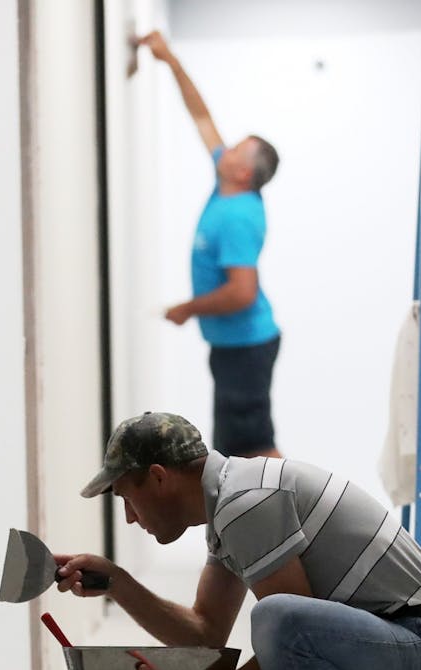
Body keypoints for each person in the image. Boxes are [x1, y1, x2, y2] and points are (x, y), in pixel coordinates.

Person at [55, 412, 421, 670]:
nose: (129, 516)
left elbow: (287, 633)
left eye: (128, 497)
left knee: (276, 616)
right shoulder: (226, 509)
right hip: (374, 650)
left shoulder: (247, 502)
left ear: (160, 477)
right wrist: (119, 584)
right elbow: (205, 633)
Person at [137, 30, 283, 460]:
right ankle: (276, 521)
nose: (225, 148)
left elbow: (242, 292)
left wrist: (188, 308)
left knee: (255, 451)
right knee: (239, 450)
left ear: (243, 173)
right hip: (237, 347)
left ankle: (305, 521)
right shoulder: (230, 187)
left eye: (235, 149)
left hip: (245, 347)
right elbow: (201, 117)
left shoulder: (238, 217)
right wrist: (171, 61)